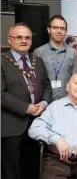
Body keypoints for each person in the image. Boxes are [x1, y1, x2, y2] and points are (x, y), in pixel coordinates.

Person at [1, 22, 52, 179]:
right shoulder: (2, 61)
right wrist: (26, 108)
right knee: (12, 170)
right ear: (10, 39)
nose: (24, 41)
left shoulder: (37, 61)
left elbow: (47, 87)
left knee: (34, 166)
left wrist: (43, 103)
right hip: (12, 125)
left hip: (37, 122)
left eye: (27, 38)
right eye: (19, 37)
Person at [28, 73, 77, 179]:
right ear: (68, 86)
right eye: (76, 83)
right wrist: (57, 139)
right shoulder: (54, 107)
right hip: (56, 160)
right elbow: (34, 129)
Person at [34, 15, 77, 101]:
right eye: (55, 28)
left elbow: (76, 79)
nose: (59, 31)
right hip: (45, 103)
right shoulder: (39, 52)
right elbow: (36, 81)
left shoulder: (73, 52)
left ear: (66, 31)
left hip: (67, 102)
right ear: (49, 30)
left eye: (62, 28)